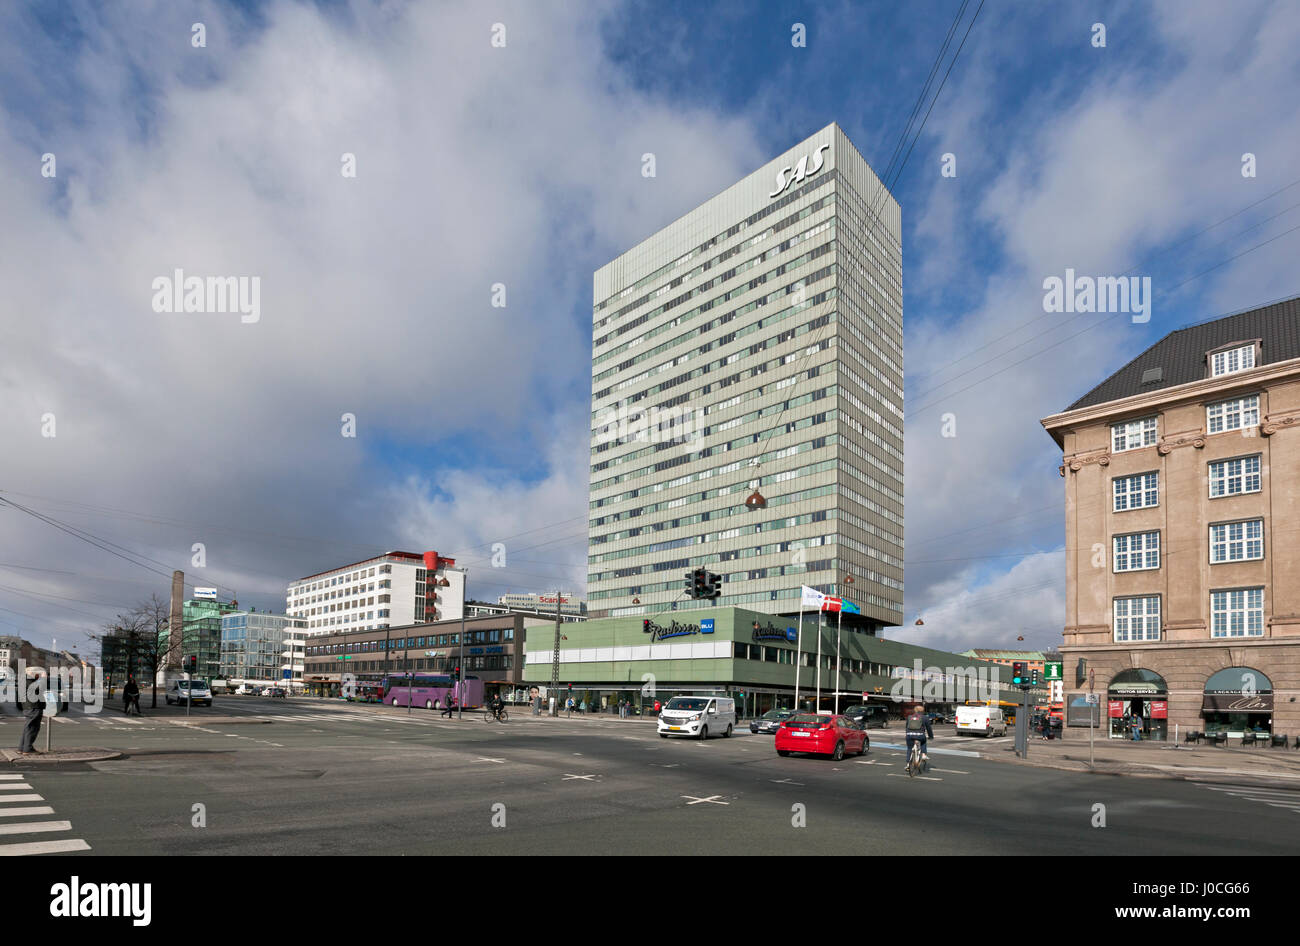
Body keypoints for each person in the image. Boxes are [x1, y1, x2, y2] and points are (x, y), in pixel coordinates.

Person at [18, 674, 44, 754]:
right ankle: (28, 749)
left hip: (28, 707)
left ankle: (22, 748)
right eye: (37, 673)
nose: (38, 675)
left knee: (28, 727)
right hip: (33, 707)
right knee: (32, 728)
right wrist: (43, 679)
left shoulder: (24, 680)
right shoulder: (29, 681)